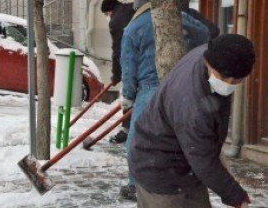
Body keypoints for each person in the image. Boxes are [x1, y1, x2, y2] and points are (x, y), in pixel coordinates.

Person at [129, 34, 255, 208]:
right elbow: (203, 160)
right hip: (160, 173)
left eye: (237, 80)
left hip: (185, 167)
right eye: (224, 77)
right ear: (209, 64)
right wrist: (235, 195)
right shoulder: (192, 103)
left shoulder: (207, 52)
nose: (229, 84)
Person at [119, 0, 210, 201]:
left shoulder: (133, 28)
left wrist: (128, 95)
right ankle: (183, 179)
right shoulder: (180, 18)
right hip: (182, 85)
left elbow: (128, 67)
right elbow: (204, 34)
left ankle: (136, 184)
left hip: (149, 89)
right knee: (182, 135)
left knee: (138, 138)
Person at [101, 0, 135, 144]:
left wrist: (116, 75)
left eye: (106, 14)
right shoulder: (130, 8)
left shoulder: (116, 22)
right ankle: (131, 130)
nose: (107, 17)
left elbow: (118, 51)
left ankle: (127, 131)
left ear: (109, 11)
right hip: (141, 57)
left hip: (132, 62)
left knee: (128, 96)